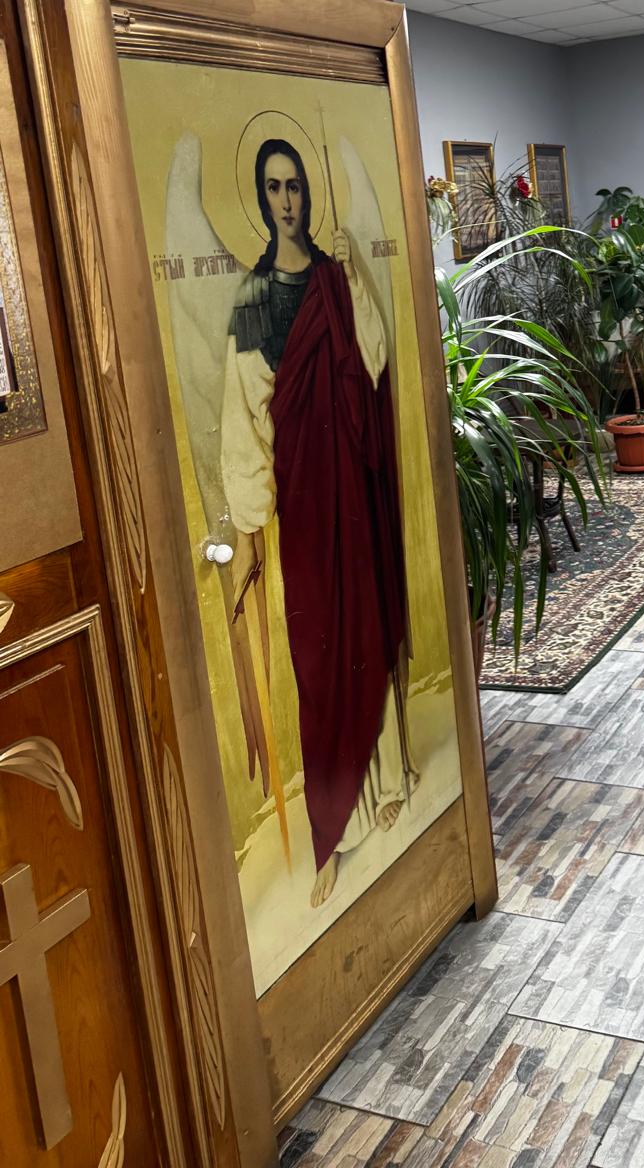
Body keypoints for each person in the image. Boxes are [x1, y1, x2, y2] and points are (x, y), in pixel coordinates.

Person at [221, 137, 413, 909]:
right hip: (303, 495)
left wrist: (356, 279)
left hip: (350, 485)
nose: (287, 200)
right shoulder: (252, 299)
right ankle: (334, 826)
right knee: (318, 649)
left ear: (306, 192)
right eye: (273, 188)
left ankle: (386, 780)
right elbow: (243, 407)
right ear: (261, 198)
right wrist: (250, 510)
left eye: (295, 185)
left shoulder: (335, 277)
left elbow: (374, 359)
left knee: (363, 624)